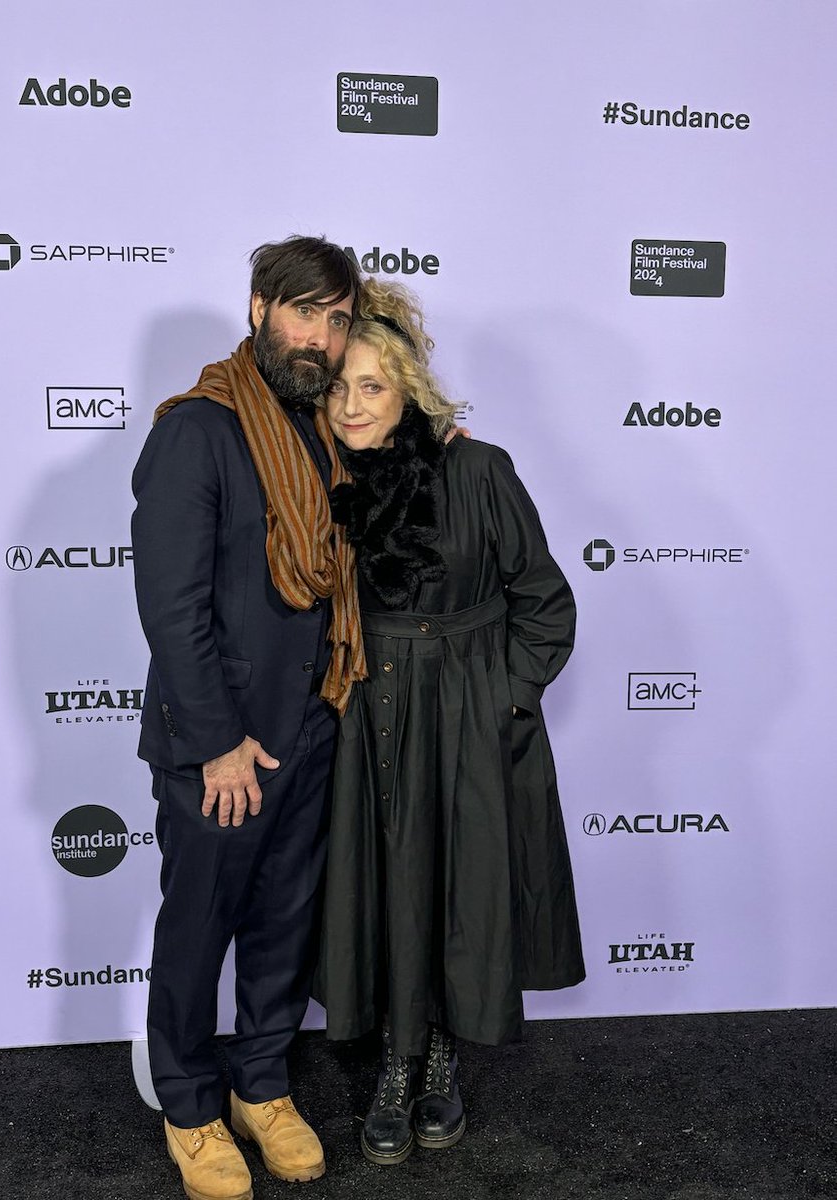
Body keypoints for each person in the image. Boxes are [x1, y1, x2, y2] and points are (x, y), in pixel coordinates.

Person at [315, 279, 585, 1166]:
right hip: (368, 713)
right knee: (389, 885)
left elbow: (543, 602)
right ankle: (395, 1059)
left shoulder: (478, 470)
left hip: (465, 707)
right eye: (338, 386)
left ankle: (441, 1058)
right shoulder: (318, 476)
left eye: (372, 387)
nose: (352, 406)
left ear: (410, 392)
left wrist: (503, 695)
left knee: (456, 884)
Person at [131, 235, 364, 1200]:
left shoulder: (325, 428)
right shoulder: (199, 427)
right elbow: (171, 607)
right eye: (302, 311)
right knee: (200, 925)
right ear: (261, 308)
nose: (318, 335)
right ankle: (189, 1105)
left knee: (282, 922)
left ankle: (260, 1085)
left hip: (311, 723)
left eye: (337, 320)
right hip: (223, 743)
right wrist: (219, 742)